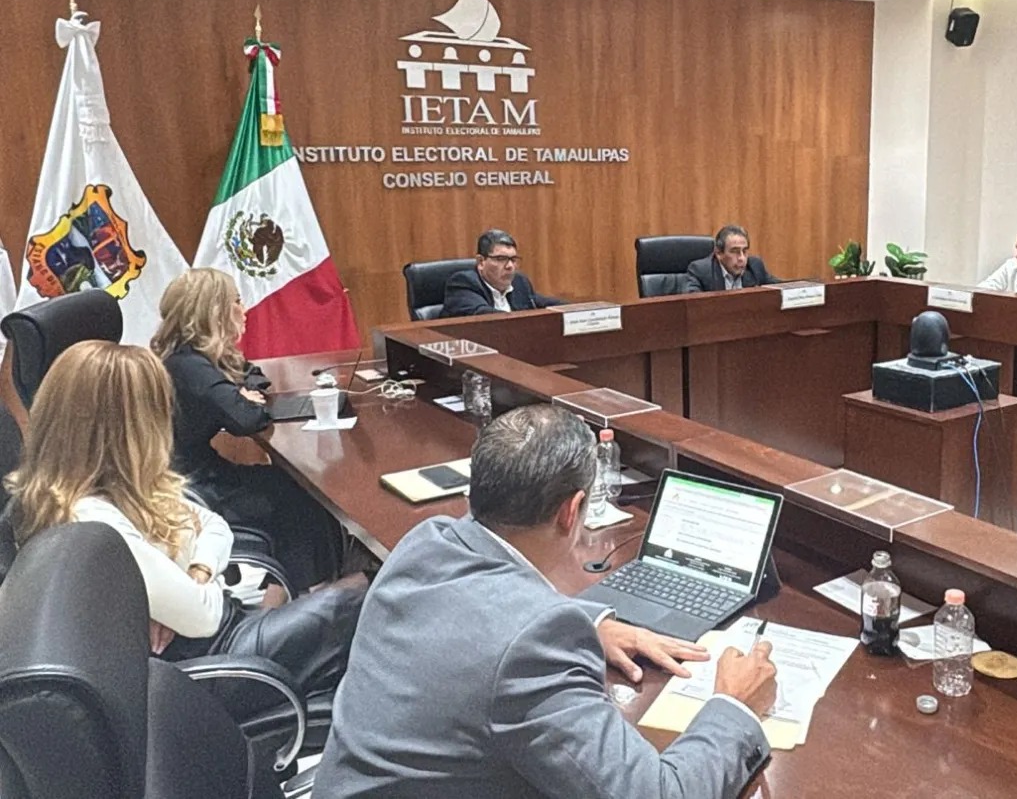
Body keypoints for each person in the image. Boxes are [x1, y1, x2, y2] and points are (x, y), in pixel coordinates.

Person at [314, 404, 776, 799]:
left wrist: (591, 623)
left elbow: (482, 616)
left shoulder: (426, 540)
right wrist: (733, 706)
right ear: (571, 511)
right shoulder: (532, 645)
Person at [2, 340, 365, 692]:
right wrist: (190, 588)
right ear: (122, 430)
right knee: (373, 599)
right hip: (218, 663)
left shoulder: (113, 487)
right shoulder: (92, 522)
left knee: (369, 590)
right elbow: (204, 617)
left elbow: (214, 526)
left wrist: (196, 573)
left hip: (223, 632)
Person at [151, 267, 342, 592]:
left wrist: (242, 392)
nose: (244, 309)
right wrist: (243, 400)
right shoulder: (189, 366)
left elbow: (251, 374)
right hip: (194, 485)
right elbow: (245, 419)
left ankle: (293, 587)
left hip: (199, 470)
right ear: (215, 311)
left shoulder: (193, 356)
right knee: (300, 494)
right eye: (237, 301)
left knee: (291, 484)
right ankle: (311, 592)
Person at [442, 229, 562, 316]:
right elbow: (483, 314)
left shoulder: (519, 282)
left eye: (513, 259)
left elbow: (543, 302)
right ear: (481, 262)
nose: (510, 266)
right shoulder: (463, 284)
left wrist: (571, 309)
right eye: (501, 259)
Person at [684, 225, 778, 292]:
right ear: (719, 253)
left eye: (744, 251)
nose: (742, 258)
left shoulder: (755, 266)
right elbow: (693, 305)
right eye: (735, 251)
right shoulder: (700, 271)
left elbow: (781, 288)